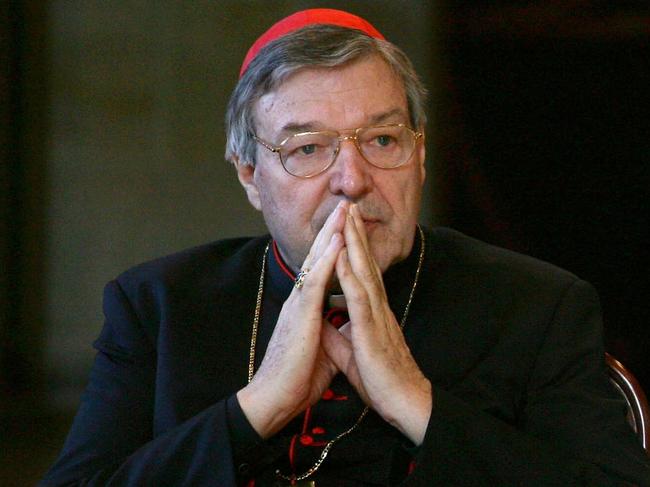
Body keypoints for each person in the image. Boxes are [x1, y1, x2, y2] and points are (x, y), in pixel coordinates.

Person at [41, 8, 650, 486]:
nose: (353, 180)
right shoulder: (158, 307)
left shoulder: (536, 307)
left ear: (421, 156)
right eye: (308, 148)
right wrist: (258, 408)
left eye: (382, 140)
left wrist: (417, 403)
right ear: (250, 176)